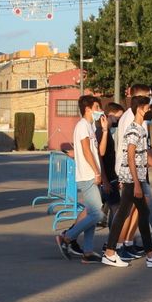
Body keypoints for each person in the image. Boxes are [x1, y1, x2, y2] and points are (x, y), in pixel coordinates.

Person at [102, 96, 152, 268]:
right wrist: (136, 183)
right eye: (148, 107)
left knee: (141, 214)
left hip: (135, 178)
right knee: (123, 215)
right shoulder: (134, 130)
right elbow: (130, 156)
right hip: (131, 179)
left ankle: (150, 256)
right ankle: (110, 252)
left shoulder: (141, 130)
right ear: (141, 109)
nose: (151, 110)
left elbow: (143, 157)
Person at [57, 94, 107, 262]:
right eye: (97, 108)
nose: (100, 111)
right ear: (88, 109)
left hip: (91, 174)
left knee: (93, 213)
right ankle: (67, 237)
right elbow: (86, 151)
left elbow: (96, 151)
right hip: (88, 175)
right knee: (98, 214)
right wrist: (97, 172)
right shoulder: (83, 126)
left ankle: (87, 251)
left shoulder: (90, 126)